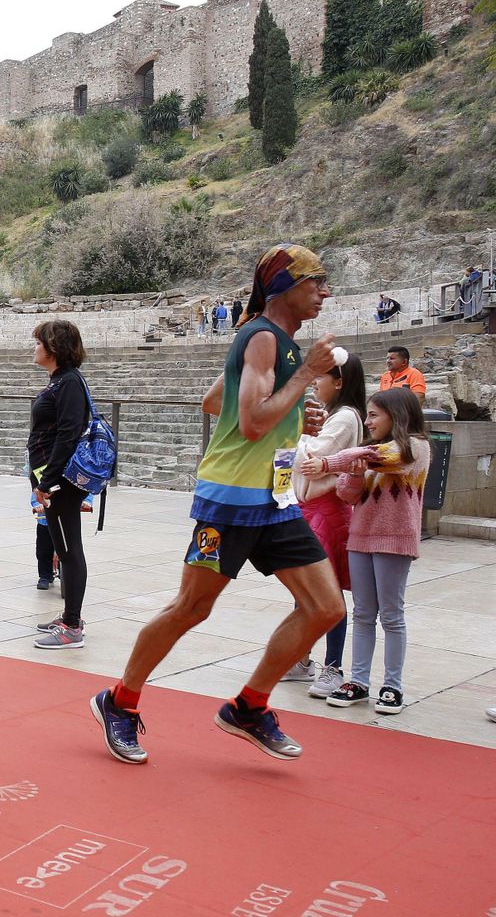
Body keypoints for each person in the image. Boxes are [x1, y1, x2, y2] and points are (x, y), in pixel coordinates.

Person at [91, 243, 342, 765]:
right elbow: (249, 423)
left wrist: (294, 416)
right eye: (315, 280)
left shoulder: (277, 342)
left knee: (326, 607)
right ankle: (118, 701)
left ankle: (249, 707)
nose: (325, 290)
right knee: (191, 608)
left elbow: (217, 402)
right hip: (229, 502)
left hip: (273, 503)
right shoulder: (262, 338)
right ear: (283, 287)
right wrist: (299, 381)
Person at [321, 388, 430, 715]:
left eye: (373, 415)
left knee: (392, 615)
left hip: (394, 541)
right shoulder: (367, 453)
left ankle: (393, 686)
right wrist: (352, 474)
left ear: (395, 416)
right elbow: (346, 493)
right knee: (364, 613)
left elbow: (392, 459)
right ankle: (358, 681)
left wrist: (330, 461)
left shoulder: (415, 448)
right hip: (361, 538)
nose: (367, 421)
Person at [290, 347, 366, 697]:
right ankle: (302, 656)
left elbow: (313, 456)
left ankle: (332, 666)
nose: (316, 383)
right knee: (306, 588)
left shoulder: (346, 417)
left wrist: (297, 434)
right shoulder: (334, 414)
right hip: (311, 508)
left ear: (339, 381)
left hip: (326, 510)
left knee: (326, 590)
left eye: (321, 377)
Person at [27, 319, 93, 651]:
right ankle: (69, 617)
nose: (34, 348)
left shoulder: (68, 383)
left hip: (62, 484)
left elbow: (68, 434)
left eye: (39, 343)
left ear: (54, 347)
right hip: (55, 480)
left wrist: (48, 481)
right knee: (64, 549)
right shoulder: (61, 381)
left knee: (68, 552)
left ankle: (72, 626)